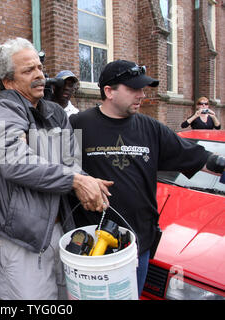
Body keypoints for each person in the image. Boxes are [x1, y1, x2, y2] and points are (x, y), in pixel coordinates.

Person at [69, 59, 222, 298]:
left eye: (142, 88)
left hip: (137, 246)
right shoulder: (77, 125)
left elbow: (198, 158)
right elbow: (46, 165)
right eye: (133, 89)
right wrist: (76, 180)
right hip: (89, 247)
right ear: (109, 91)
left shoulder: (152, 128)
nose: (141, 95)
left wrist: (221, 165)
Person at [0, 37, 113, 299]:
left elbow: (71, 162)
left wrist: (88, 183)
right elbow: (16, 164)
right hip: (20, 240)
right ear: (8, 81)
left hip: (61, 231)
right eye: (28, 70)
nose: (39, 75)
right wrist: (75, 181)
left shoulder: (56, 113)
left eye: (39, 67)